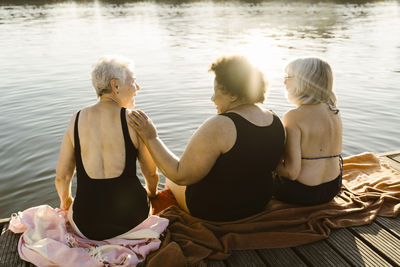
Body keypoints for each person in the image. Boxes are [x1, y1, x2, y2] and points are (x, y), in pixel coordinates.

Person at [129, 55, 285, 221]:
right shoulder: (275, 120)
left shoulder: (221, 125)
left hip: (217, 210)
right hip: (258, 203)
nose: (212, 98)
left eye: (216, 91)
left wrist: (151, 137)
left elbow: (180, 175)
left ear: (233, 95)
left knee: (171, 179)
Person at [55, 55, 159, 240]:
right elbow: (150, 173)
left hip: (86, 225)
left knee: (75, 208)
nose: (138, 88)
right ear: (115, 86)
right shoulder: (135, 120)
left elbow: (62, 177)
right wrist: (152, 193)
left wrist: (66, 202)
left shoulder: (76, 120)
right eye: (133, 82)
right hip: (132, 220)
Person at [275, 57, 343, 206]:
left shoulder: (294, 116)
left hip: (302, 192)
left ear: (303, 81)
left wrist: (268, 165)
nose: (284, 82)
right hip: (333, 188)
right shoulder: (335, 112)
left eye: (288, 77)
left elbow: (292, 173)